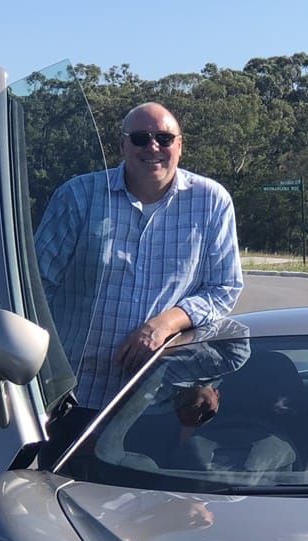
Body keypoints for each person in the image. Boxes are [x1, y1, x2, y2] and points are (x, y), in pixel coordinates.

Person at [34, 102, 243, 411]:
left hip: (160, 397)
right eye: (140, 138)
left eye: (164, 138)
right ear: (122, 145)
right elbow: (36, 285)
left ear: (180, 145)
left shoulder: (212, 201)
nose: (153, 146)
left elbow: (224, 288)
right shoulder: (79, 196)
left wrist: (164, 324)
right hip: (73, 394)